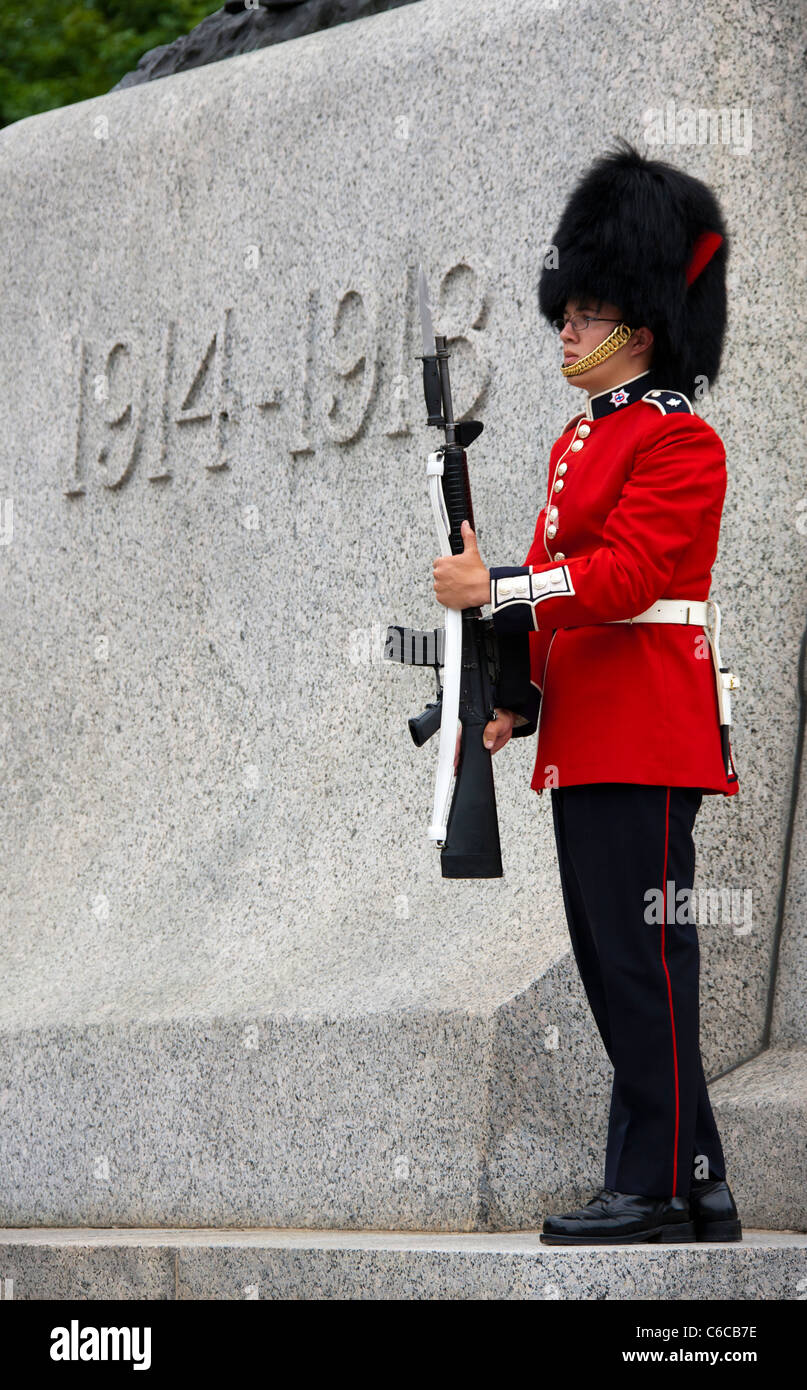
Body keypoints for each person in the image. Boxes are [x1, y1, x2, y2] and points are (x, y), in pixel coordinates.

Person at [433, 141, 742, 1245]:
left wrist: (501, 583)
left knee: (639, 967)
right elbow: (565, 607)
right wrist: (522, 699)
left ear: (642, 328)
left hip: (651, 740)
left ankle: (649, 1187)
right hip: (597, 734)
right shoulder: (583, 441)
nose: (564, 325)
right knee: (626, 970)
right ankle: (697, 1177)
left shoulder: (679, 440)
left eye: (587, 309)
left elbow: (626, 580)